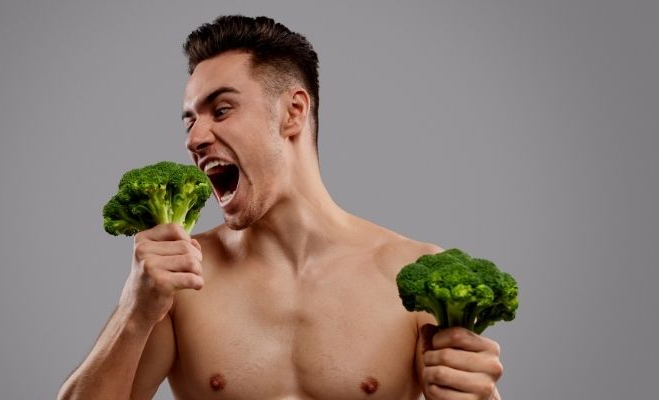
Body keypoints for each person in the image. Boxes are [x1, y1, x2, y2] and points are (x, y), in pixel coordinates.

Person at [58, 15, 503, 400]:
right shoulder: (181, 285)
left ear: (292, 112)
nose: (194, 139)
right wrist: (134, 313)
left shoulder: (413, 276)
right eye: (191, 119)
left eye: (222, 108)